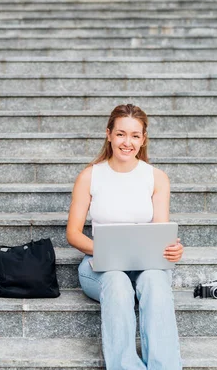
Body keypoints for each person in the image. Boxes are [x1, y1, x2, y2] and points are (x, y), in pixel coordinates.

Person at [66, 104, 184, 370]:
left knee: (155, 280)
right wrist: (106, 252)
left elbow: (159, 231)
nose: (126, 142)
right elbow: (73, 234)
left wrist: (172, 249)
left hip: (144, 266)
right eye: (120, 134)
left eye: (134, 135)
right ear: (109, 135)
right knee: (118, 282)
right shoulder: (89, 176)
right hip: (98, 267)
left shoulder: (156, 178)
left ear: (143, 140)